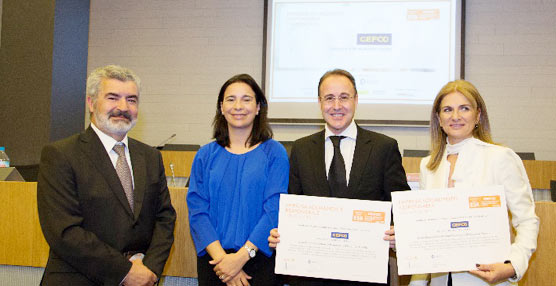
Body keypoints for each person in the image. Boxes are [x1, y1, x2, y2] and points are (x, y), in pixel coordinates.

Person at [268, 69, 410, 286]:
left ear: (356, 100)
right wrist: (283, 233)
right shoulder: (301, 149)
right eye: (329, 98)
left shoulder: (384, 148)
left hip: (364, 273)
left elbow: (401, 207)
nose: (336, 106)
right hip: (310, 275)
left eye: (344, 97)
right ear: (319, 102)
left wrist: (397, 231)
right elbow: (292, 206)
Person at [37, 65, 176, 286]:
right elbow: (65, 231)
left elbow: (164, 218)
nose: (123, 107)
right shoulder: (60, 155)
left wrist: (149, 270)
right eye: (113, 98)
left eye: (131, 100)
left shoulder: (150, 157)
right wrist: (125, 272)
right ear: (91, 103)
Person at [410, 80, 539, 286]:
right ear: (438, 118)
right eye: (447, 110)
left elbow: (527, 220)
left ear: (478, 115)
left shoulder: (500, 157)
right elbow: (428, 233)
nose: (455, 116)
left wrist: (512, 266)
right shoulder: (428, 166)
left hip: (486, 280)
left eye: (464, 108)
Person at [187, 74, 289, 286]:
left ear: (259, 107)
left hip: (259, 260)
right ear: (221, 107)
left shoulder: (275, 153)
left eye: (246, 99)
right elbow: (197, 210)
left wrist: (241, 258)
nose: (238, 106)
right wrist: (225, 262)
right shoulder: (205, 155)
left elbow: (274, 209)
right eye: (231, 99)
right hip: (215, 262)